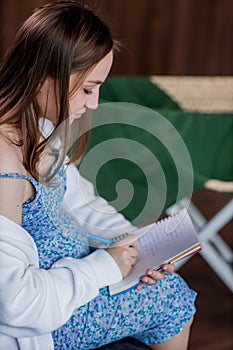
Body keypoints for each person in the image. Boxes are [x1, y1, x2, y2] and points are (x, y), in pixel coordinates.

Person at [0, 1, 196, 349]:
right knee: (173, 301)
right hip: (42, 324)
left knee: (165, 288)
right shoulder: (5, 167)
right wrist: (106, 266)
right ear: (43, 73)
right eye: (89, 88)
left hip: (74, 284)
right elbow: (16, 304)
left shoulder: (40, 132)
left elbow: (82, 203)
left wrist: (134, 248)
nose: (94, 104)